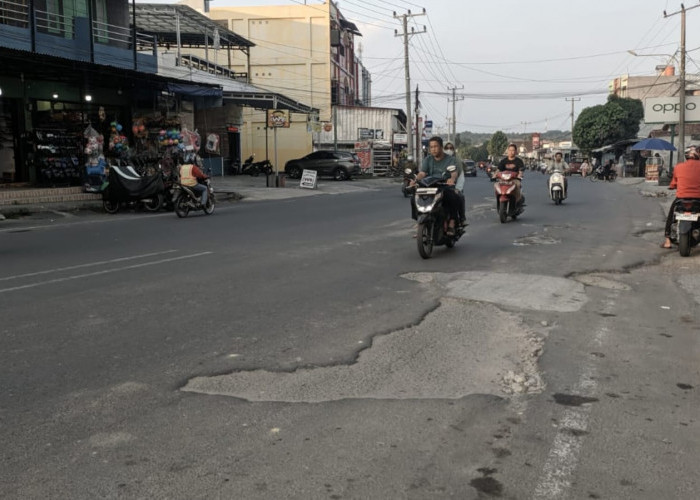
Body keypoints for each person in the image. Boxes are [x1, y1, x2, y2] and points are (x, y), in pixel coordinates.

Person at [410, 136, 462, 235]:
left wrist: (452, 179)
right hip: (429, 186)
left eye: (436, 146)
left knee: (453, 197)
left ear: (441, 147)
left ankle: (452, 222)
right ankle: (419, 220)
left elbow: (454, 172)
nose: (433, 149)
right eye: (431, 147)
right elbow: (423, 173)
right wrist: (416, 180)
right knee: (414, 198)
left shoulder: (450, 159)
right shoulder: (428, 159)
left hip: (444, 186)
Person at [661, 145, 700, 248]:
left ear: (686, 157)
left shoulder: (678, 167)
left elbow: (673, 184)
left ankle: (667, 240)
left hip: (681, 199)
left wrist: (673, 186)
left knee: (671, 216)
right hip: (698, 199)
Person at [443, 141, 467, 226]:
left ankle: (461, 218)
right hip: (440, 187)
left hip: (454, 186)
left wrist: (457, 188)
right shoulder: (440, 159)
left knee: (459, 197)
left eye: (451, 148)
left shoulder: (457, 160)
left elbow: (460, 176)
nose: (448, 150)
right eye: (446, 148)